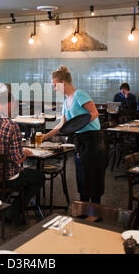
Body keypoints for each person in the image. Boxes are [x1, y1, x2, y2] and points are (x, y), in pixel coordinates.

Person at [0, 90, 45, 225]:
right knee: (38, 176)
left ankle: (1, 201)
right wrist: (25, 153)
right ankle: (14, 210)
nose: (15, 110)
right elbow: (18, 160)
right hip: (5, 177)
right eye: (12, 106)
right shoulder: (11, 126)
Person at [43, 65, 107, 203]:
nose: (54, 88)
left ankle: (94, 212)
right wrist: (45, 136)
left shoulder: (79, 94)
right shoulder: (66, 101)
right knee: (81, 175)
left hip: (93, 139)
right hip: (80, 140)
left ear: (63, 83)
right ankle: (83, 208)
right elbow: (62, 125)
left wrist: (77, 124)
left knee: (92, 175)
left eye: (55, 85)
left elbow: (94, 113)